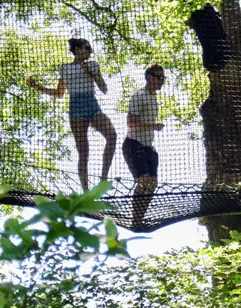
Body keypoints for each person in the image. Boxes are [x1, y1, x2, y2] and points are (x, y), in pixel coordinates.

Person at [27, 38, 117, 190]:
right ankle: (86, 192)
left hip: (91, 103)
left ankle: (103, 178)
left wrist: (92, 73)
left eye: (90, 49)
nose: (89, 51)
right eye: (86, 48)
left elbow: (104, 89)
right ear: (76, 49)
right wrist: (38, 87)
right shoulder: (65, 68)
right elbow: (59, 93)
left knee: (112, 135)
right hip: (76, 106)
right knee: (83, 151)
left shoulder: (93, 65)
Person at [123, 63, 165, 227]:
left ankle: (139, 220)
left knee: (152, 184)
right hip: (134, 144)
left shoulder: (153, 98)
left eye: (163, 78)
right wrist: (153, 126)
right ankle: (136, 220)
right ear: (149, 77)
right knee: (145, 181)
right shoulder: (139, 95)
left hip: (148, 147)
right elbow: (130, 123)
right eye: (159, 77)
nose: (162, 81)